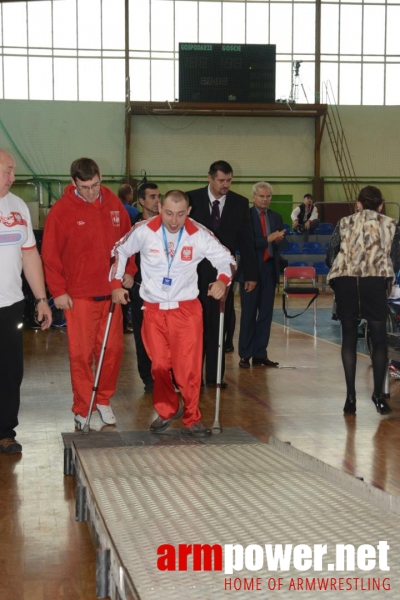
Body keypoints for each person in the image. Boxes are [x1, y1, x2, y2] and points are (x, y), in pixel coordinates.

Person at [111, 190, 236, 437]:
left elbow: (227, 260)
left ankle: (191, 418)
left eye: (180, 214)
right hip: (154, 310)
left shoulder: (199, 234)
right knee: (158, 366)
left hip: (187, 311)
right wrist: (116, 283)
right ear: (160, 209)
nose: (174, 220)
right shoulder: (144, 230)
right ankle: (168, 408)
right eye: (168, 213)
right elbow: (119, 250)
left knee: (188, 370)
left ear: (188, 212)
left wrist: (222, 281)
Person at [41, 158, 135, 430]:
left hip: (112, 294)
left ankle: (103, 400)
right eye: (85, 187)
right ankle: (83, 407)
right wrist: (58, 292)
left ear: (100, 177)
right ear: (73, 183)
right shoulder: (61, 211)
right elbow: (50, 255)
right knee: (81, 355)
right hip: (78, 297)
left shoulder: (114, 204)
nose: (91, 191)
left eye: (95, 184)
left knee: (112, 350)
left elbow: (129, 241)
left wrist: (129, 269)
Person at [326, 185, 396, 416]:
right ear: (381, 205)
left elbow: (331, 254)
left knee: (348, 338)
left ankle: (350, 398)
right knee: (379, 338)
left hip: (346, 280)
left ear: (357, 204)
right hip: (374, 280)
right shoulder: (391, 224)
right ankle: (378, 396)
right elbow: (396, 257)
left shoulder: (344, 223)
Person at [0, 149, 52, 455]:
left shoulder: (18, 206)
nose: (13, 177)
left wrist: (41, 299)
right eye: (7, 171)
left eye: (13, 171)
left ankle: (5, 431)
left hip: (11, 305)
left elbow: (30, 255)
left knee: (9, 372)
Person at [187, 160, 258, 387]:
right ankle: (192, 375)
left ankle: (215, 376)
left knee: (219, 324)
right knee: (195, 326)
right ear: (210, 178)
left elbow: (247, 242)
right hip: (193, 274)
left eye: (229, 180)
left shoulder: (239, 203)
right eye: (221, 180)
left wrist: (251, 274)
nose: (225, 184)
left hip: (224, 275)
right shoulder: (192, 200)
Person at [238, 182, 286, 369]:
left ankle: (260, 354)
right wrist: (268, 239)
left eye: (268, 196)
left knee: (265, 314)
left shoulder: (276, 217)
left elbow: (283, 243)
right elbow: (245, 243)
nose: (265, 199)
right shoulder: (246, 217)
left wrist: (280, 239)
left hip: (269, 269)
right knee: (248, 314)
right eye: (261, 196)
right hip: (250, 271)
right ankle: (245, 354)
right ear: (254, 197)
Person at [130, 182, 162, 393]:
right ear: (141, 201)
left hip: (167, 290)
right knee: (143, 335)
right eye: (152, 197)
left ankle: (166, 376)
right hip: (141, 288)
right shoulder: (133, 226)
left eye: (159, 196)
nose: (157, 200)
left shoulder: (169, 223)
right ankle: (148, 377)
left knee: (166, 335)